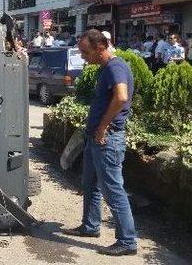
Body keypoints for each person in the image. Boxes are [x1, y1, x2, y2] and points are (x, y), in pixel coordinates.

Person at [62, 29, 137, 256]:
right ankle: (90, 226)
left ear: (100, 48)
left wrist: (103, 126)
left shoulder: (115, 67)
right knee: (90, 184)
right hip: (97, 137)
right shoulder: (106, 68)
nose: (83, 57)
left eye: (86, 52)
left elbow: (121, 97)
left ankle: (127, 241)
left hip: (107, 138)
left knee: (113, 190)